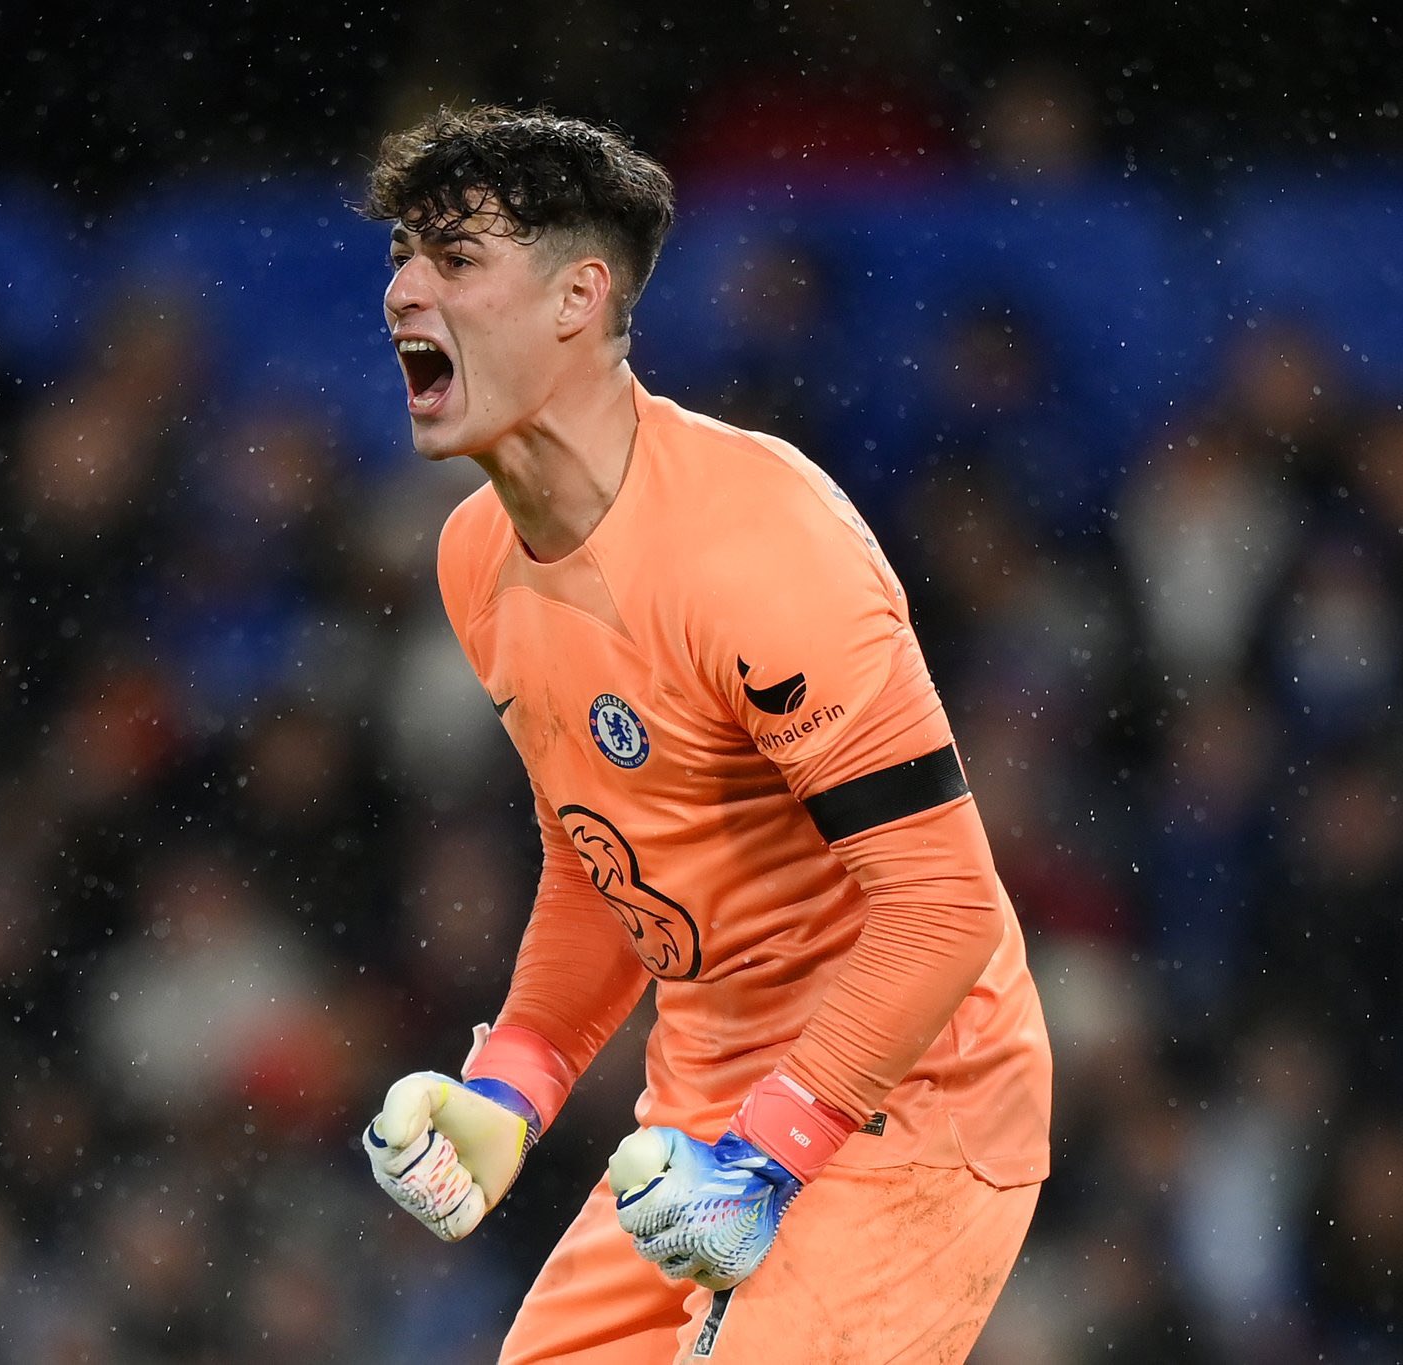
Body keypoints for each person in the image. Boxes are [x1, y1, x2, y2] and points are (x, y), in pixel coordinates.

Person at [356, 105, 1052, 1365]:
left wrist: (771, 1150)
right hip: (702, 1121)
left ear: (577, 298)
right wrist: (513, 1081)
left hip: (903, 1105)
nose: (403, 288)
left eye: (452, 259)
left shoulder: (757, 549)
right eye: (403, 254)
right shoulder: (474, 559)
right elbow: (601, 855)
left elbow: (942, 906)